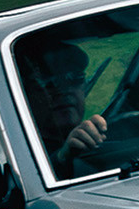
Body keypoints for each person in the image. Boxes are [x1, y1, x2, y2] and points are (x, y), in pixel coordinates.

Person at [20, 38, 107, 172]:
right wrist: (62, 159)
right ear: (24, 95)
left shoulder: (104, 133)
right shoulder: (20, 154)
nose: (64, 90)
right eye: (48, 83)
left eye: (75, 77)